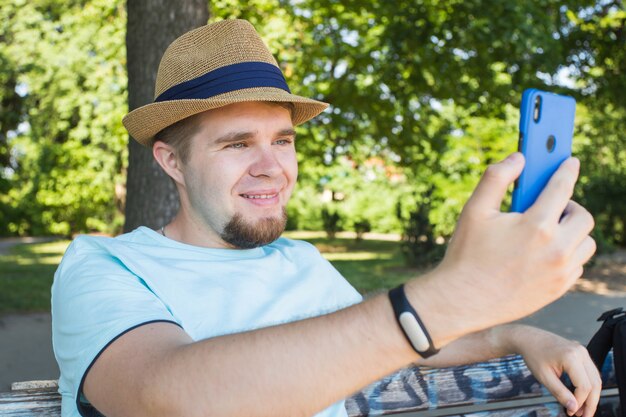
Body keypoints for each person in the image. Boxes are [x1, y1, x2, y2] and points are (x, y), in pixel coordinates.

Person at [52, 19, 600, 417]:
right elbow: (168, 398)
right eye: (238, 143)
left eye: (283, 140)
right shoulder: (103, 266)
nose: (273, 168)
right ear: (172, 160)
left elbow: (388, 340)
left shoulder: (298, 261)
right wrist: (449, 295)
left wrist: (517, 334)